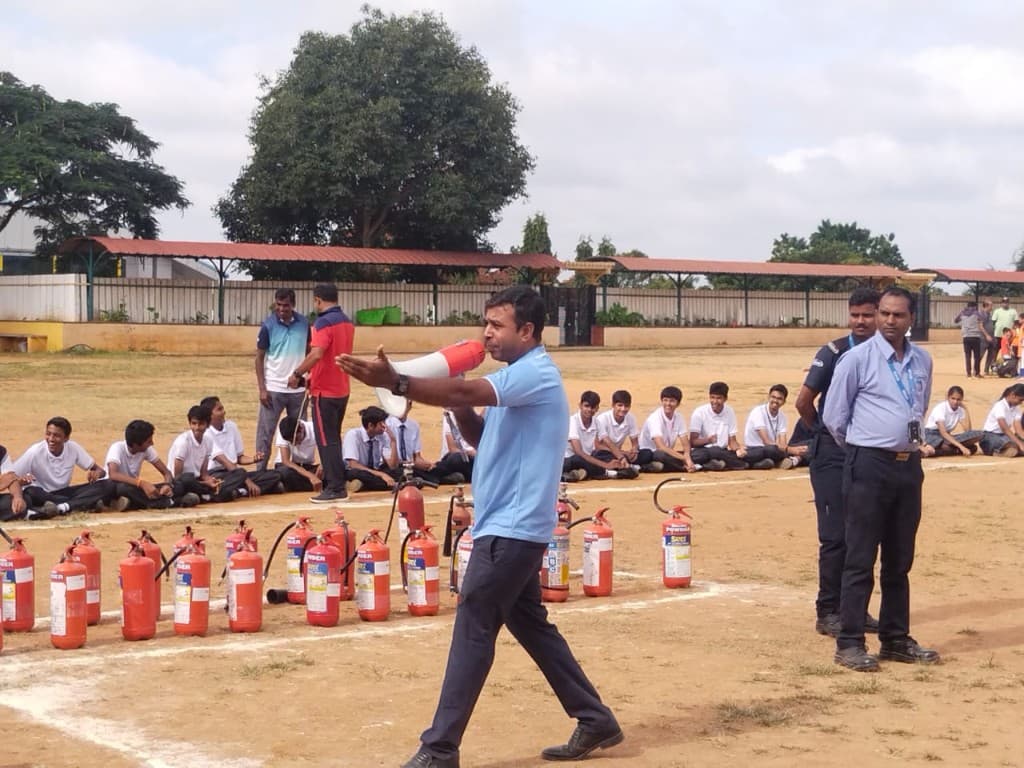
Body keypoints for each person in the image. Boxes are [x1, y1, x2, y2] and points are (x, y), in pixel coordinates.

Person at [337, 285, 621, 768]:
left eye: (497, 325)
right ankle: (594, 718)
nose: (486, 333)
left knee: (473, 622)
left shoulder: (536, 375)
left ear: (527, 331)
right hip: (506, 526)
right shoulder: (517, 377)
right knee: (529, 624)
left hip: (512, 530)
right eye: (485, 323)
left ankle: (440, 747)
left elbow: (468, 389)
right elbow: (482, 436)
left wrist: (401, 382)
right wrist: (455, 403)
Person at [823, 286, 940, 672]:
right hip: (868, 465)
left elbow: (919, 409)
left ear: (911, 319)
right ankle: (850, 641)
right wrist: (866, 448)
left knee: (899, 559)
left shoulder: (923, 361)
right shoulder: (856, 360)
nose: (889, 321)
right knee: (859, 557)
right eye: (884, 314)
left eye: (897, 315)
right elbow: (835, 419)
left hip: (908, 467)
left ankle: (895, 638)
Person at [794, 286, 881, 639]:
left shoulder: (886, 354)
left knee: (864, 536)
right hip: (832, 457)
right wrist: (825, 435)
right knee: (835, 538)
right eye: (855, 315)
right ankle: (827, 611)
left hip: (868, 456)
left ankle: (856, 609)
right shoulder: (833, 351)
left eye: (868, 315)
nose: (861, 321)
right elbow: (803, 402)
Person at [287, 283, 354, 503]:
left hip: (324, 392)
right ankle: (337, 483)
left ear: (318, 300)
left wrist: (297, 373)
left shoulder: (323, 322)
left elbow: (317, 354)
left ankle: (335, 487)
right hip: (341, 388)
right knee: (334, 438)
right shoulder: (346, 321)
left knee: (326, 441)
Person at [14, 417, 120, 515]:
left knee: (108, 484)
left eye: (56, 435)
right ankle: (85, 504)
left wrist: (97, 473)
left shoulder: (73, 448)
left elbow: (100, 471)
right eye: (48, 434)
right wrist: (21, 480)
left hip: (65, 493)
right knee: (30, 492)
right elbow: (11, 477)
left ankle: (63, 507)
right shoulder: (35, 451)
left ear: (66, 438)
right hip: (42, 494)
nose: (51, 439)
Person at [255, 288, 310, 470]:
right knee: (265, 434)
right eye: (278, 305)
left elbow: (310, 353)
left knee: (299, 433)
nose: (281, 309)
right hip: (274, 389)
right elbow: (259, 358)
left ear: (293, 304)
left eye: (285, 305)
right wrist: (263, 389)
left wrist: (307, 378)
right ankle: (260, 472)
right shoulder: (268, 326)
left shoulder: (304, 324)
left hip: (299, 391)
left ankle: (295, 471)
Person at [105, 420, 199, 509]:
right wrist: (141, 483)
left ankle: (135, 503)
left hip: (137, 489)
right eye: (149, 441)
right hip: (117, 488)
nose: (152, 443)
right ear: (136, 444)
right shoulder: (117, 448)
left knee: (178, 484)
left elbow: (166, 473)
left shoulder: (147, 450)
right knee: (122, 488)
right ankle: (168, 502)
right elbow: (113, 474)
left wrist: (167, 485)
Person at [201, 395, 282, 497]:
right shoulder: (206, 434)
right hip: (216, 473)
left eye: (223, 408)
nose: (224, 412)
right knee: (236, 476)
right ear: (209, 415)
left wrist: (253, 459)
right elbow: (226, 462)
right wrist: (247, 481)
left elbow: (239, 458)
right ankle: (244, 489)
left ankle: (239, 491)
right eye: (219, 409)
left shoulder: (231, 426)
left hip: (235, 472)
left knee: (274, 475)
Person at [562, 391, 639, 482]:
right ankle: (611, 473)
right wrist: (606, 465)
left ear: (597, 408)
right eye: (586, 406)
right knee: (578, 459)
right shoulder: (573, 421)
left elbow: (608, 441)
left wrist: (621, 458)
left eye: (593, 407)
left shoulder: (596, 422)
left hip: (588, 458)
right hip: (569, 459)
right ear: (580, 405)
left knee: (604, 456)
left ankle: (579, 474)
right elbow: (579, 452)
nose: (590, 410)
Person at [167, 404, 234, 503]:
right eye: (194, 423)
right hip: (183, 482)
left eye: (201, 424)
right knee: (187, 478)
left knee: (239, 474)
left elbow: (204, 473)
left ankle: (206, 495)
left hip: (198, 480)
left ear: (208, 424)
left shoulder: (208, 441)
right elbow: (178, 477)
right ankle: (207, 495)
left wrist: (209, 481)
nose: (197, 427)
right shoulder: (183, 442)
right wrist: (204, 484)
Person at [741, 384, 807, 469]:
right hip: (754, 449)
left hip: (772, 450)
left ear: (784, 402)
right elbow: (766, 441)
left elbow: (783, 443)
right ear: (768, 397)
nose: (775, 401)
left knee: (805, 447)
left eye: (779, 399)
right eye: (773, 397)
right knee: (771, 449)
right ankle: (789, 460)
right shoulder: (758, 412)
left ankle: (782, 461)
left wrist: (790, 449)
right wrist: (791, 450)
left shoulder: (782, 417)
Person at [689, 382, 748, 470]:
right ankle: (729, 464)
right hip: (703, 451)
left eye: (719, 398)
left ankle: (711, 465)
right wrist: (708, 440)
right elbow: (693, 442)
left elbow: (732, 441)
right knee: (713, 452)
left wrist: (738, 449)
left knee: (746, 454)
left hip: (722, 451)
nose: (715, 401)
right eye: (712, 397)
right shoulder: (699, 412)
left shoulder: (729, 411)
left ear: (725, 399)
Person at [638, 386, 698, 473]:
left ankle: (677, 466)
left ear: (678, 403)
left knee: (697, 454)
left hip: (669, 453)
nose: (668, 404)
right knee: (661, 455)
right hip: (652, 452)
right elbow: (660, 447)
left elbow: (685, 443)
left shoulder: (679, 417)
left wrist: (687, 456)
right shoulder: (655, 418)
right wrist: (683, 458)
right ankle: (686, 467)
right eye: (665, 400)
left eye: (672, 401)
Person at [341, 406, 398, 493]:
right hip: (357, 471)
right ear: (370, 425)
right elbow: (353, 465)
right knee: (358, 474)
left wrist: (393, 442)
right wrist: (382, 474)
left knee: (400, 471)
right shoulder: (353, 435)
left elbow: (392, 466)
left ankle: (363, 485)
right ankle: (396, 484)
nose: (384, 426)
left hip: (374, 471)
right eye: (381, 423)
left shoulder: (383, 436)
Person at [921, 386, 983, 457]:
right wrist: (961, 447)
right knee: (942, 443)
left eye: (958, 399)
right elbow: (943, 432)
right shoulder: (941, 408)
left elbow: (968, 431)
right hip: (932, 435)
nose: (955, 402)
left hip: (947, 438)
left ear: (962, 399)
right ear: (948, 397)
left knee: (979, 435)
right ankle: (944, 450)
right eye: (953, 398)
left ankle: (949, 449)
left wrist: (966, 409)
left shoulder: (960, 410)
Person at [593, 389, 642, 471]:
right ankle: (629, 466)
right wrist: (622, 453)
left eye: (626, 406)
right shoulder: (602, 419)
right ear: (613, 405)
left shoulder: (631, 418)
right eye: (620, 405)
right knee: (601, 455)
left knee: (646, 453)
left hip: (620, 454)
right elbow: (598, 446)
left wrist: (634, 451)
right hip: (603, 452)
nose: (623, 409)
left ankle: (624, 465)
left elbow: (635, 442)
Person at [274, 416, 322, 492]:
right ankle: (315, 484)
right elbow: (286, 461)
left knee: (330, 470)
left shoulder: (315, 428)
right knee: (284, 473)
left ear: (301, 428)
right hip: (289, 467)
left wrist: (322, 465)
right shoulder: (283, 431)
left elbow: (328, 450)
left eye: (296, 439)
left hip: (307, 466)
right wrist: (311, 476)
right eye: (291, 441)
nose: (294, 444)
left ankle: (287, 486)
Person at [978, 383, 1024, 457]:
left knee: (1015, 446)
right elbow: (1005, 428)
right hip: (989, 436)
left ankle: (1006, 451)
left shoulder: (1016, 409)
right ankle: (996, 451)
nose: (1021, 402)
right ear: (1013, 395)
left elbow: (1019, 430)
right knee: (1010, 443)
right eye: (1020, 400)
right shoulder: (1000, 406)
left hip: (1003, 436)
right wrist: (1019, 444)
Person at [1, 442, 36, 521]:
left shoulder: (1, 451)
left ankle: (23, 512)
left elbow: (11, 478)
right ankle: (27, 514)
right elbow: (4, 481)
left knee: (25, 499)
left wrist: (17, 497)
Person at [953, 301, 985, 377]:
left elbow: (955, 320)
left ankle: (968, 373)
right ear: (974, 306)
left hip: (966, 337)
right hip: (975, 336)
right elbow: (982, 319)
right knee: (976, 356)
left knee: (968, 356)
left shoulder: (962, 313)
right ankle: (976, 373)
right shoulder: (976, 313)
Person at [979, 299, 998, 374]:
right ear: (986, 305)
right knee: (980, 355)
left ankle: (986, 370)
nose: (992, 307)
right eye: (991, 305)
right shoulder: (981, 314)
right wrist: (987, 335)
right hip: (983, 338)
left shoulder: (989, 314)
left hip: (991, 337)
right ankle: (976, 370)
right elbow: (980, 326)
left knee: (990, 355)